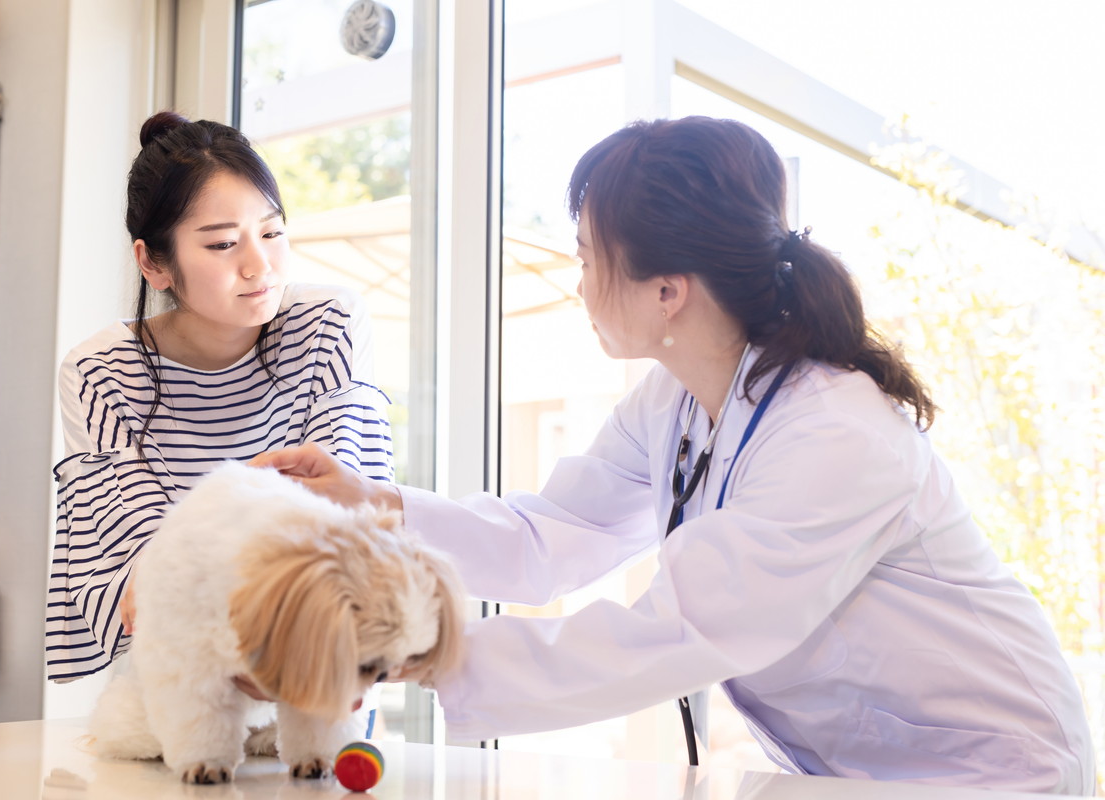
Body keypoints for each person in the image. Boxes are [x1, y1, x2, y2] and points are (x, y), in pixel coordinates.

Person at [250, 116, 1096, 792]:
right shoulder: (676, 398)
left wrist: (409, 650)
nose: (580, 283)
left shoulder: (837, 434)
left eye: (588, 257)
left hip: (987, 772)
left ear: (667, 292)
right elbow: (556, 535)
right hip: (853, 768)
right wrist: (377, 505)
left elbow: (675, 631)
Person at [44, 111, 394, 714]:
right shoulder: (100, 372)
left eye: (273, 231)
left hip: (308, 642)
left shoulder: (328, 324)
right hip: (178, 671)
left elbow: (342, 504)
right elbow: (145, 563)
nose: (259, 265)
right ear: (154, 263)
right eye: (224, 244)